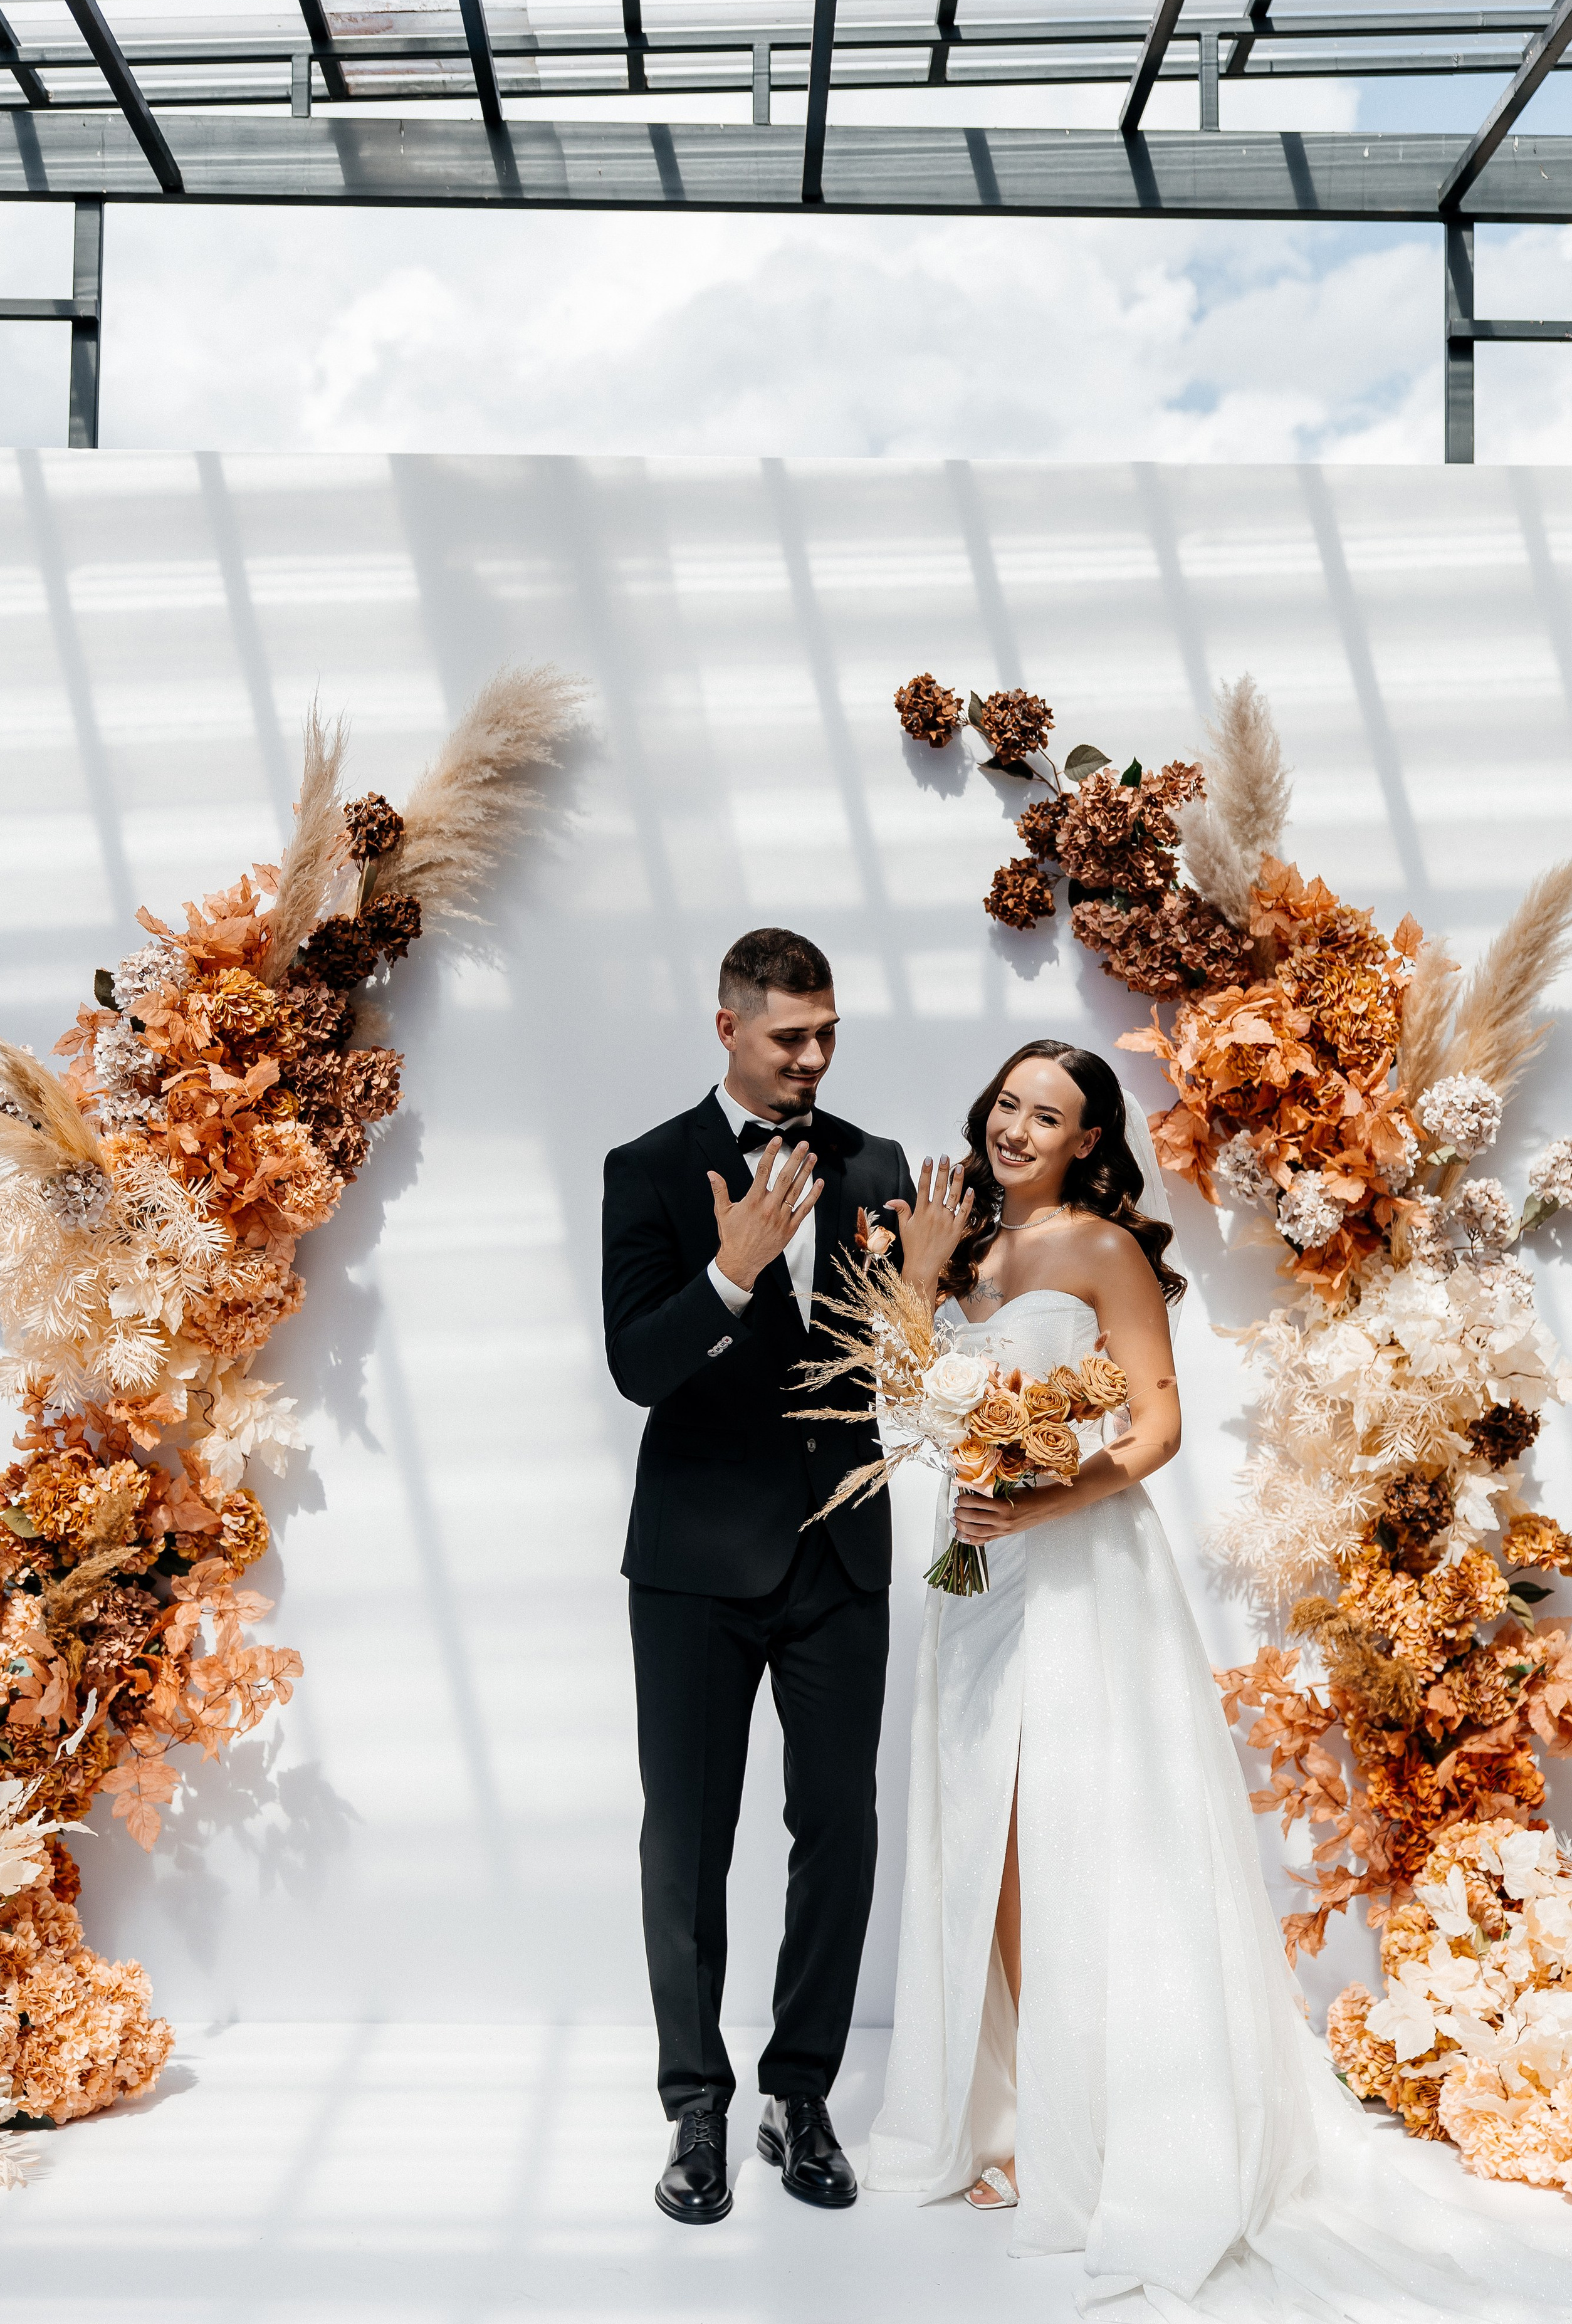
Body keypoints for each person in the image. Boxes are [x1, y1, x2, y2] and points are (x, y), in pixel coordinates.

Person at [864, 1039, 1571, 2321]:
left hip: (1072, 1561)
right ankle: (1024, 2106)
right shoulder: (966, 1250)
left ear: (1087, 1141)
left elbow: (1153, 1423)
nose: (1016, 1126)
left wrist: (1044, 1493)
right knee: (991, 1836)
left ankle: (1102, 2123)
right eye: (1007, 1103)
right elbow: (911, 1416)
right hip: (973, 1568)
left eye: (1049, 1113)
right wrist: (918, 1284)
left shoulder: (1097, 1248)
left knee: (1073, 1820)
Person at [602, 927, 913, 2227]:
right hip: (690, 1565)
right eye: (789, 1035)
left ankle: (800, 2091)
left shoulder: (876, 1166)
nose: (812, 1057)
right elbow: (636, 1366)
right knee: (687, 1843)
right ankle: (696, 2106)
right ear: (726, 1026)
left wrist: (931, 1290)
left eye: (827, 1032)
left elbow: (896, 1365)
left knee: (836, 1834)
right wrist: (731, 1269)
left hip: (839, 1552)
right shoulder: (648, 1169)